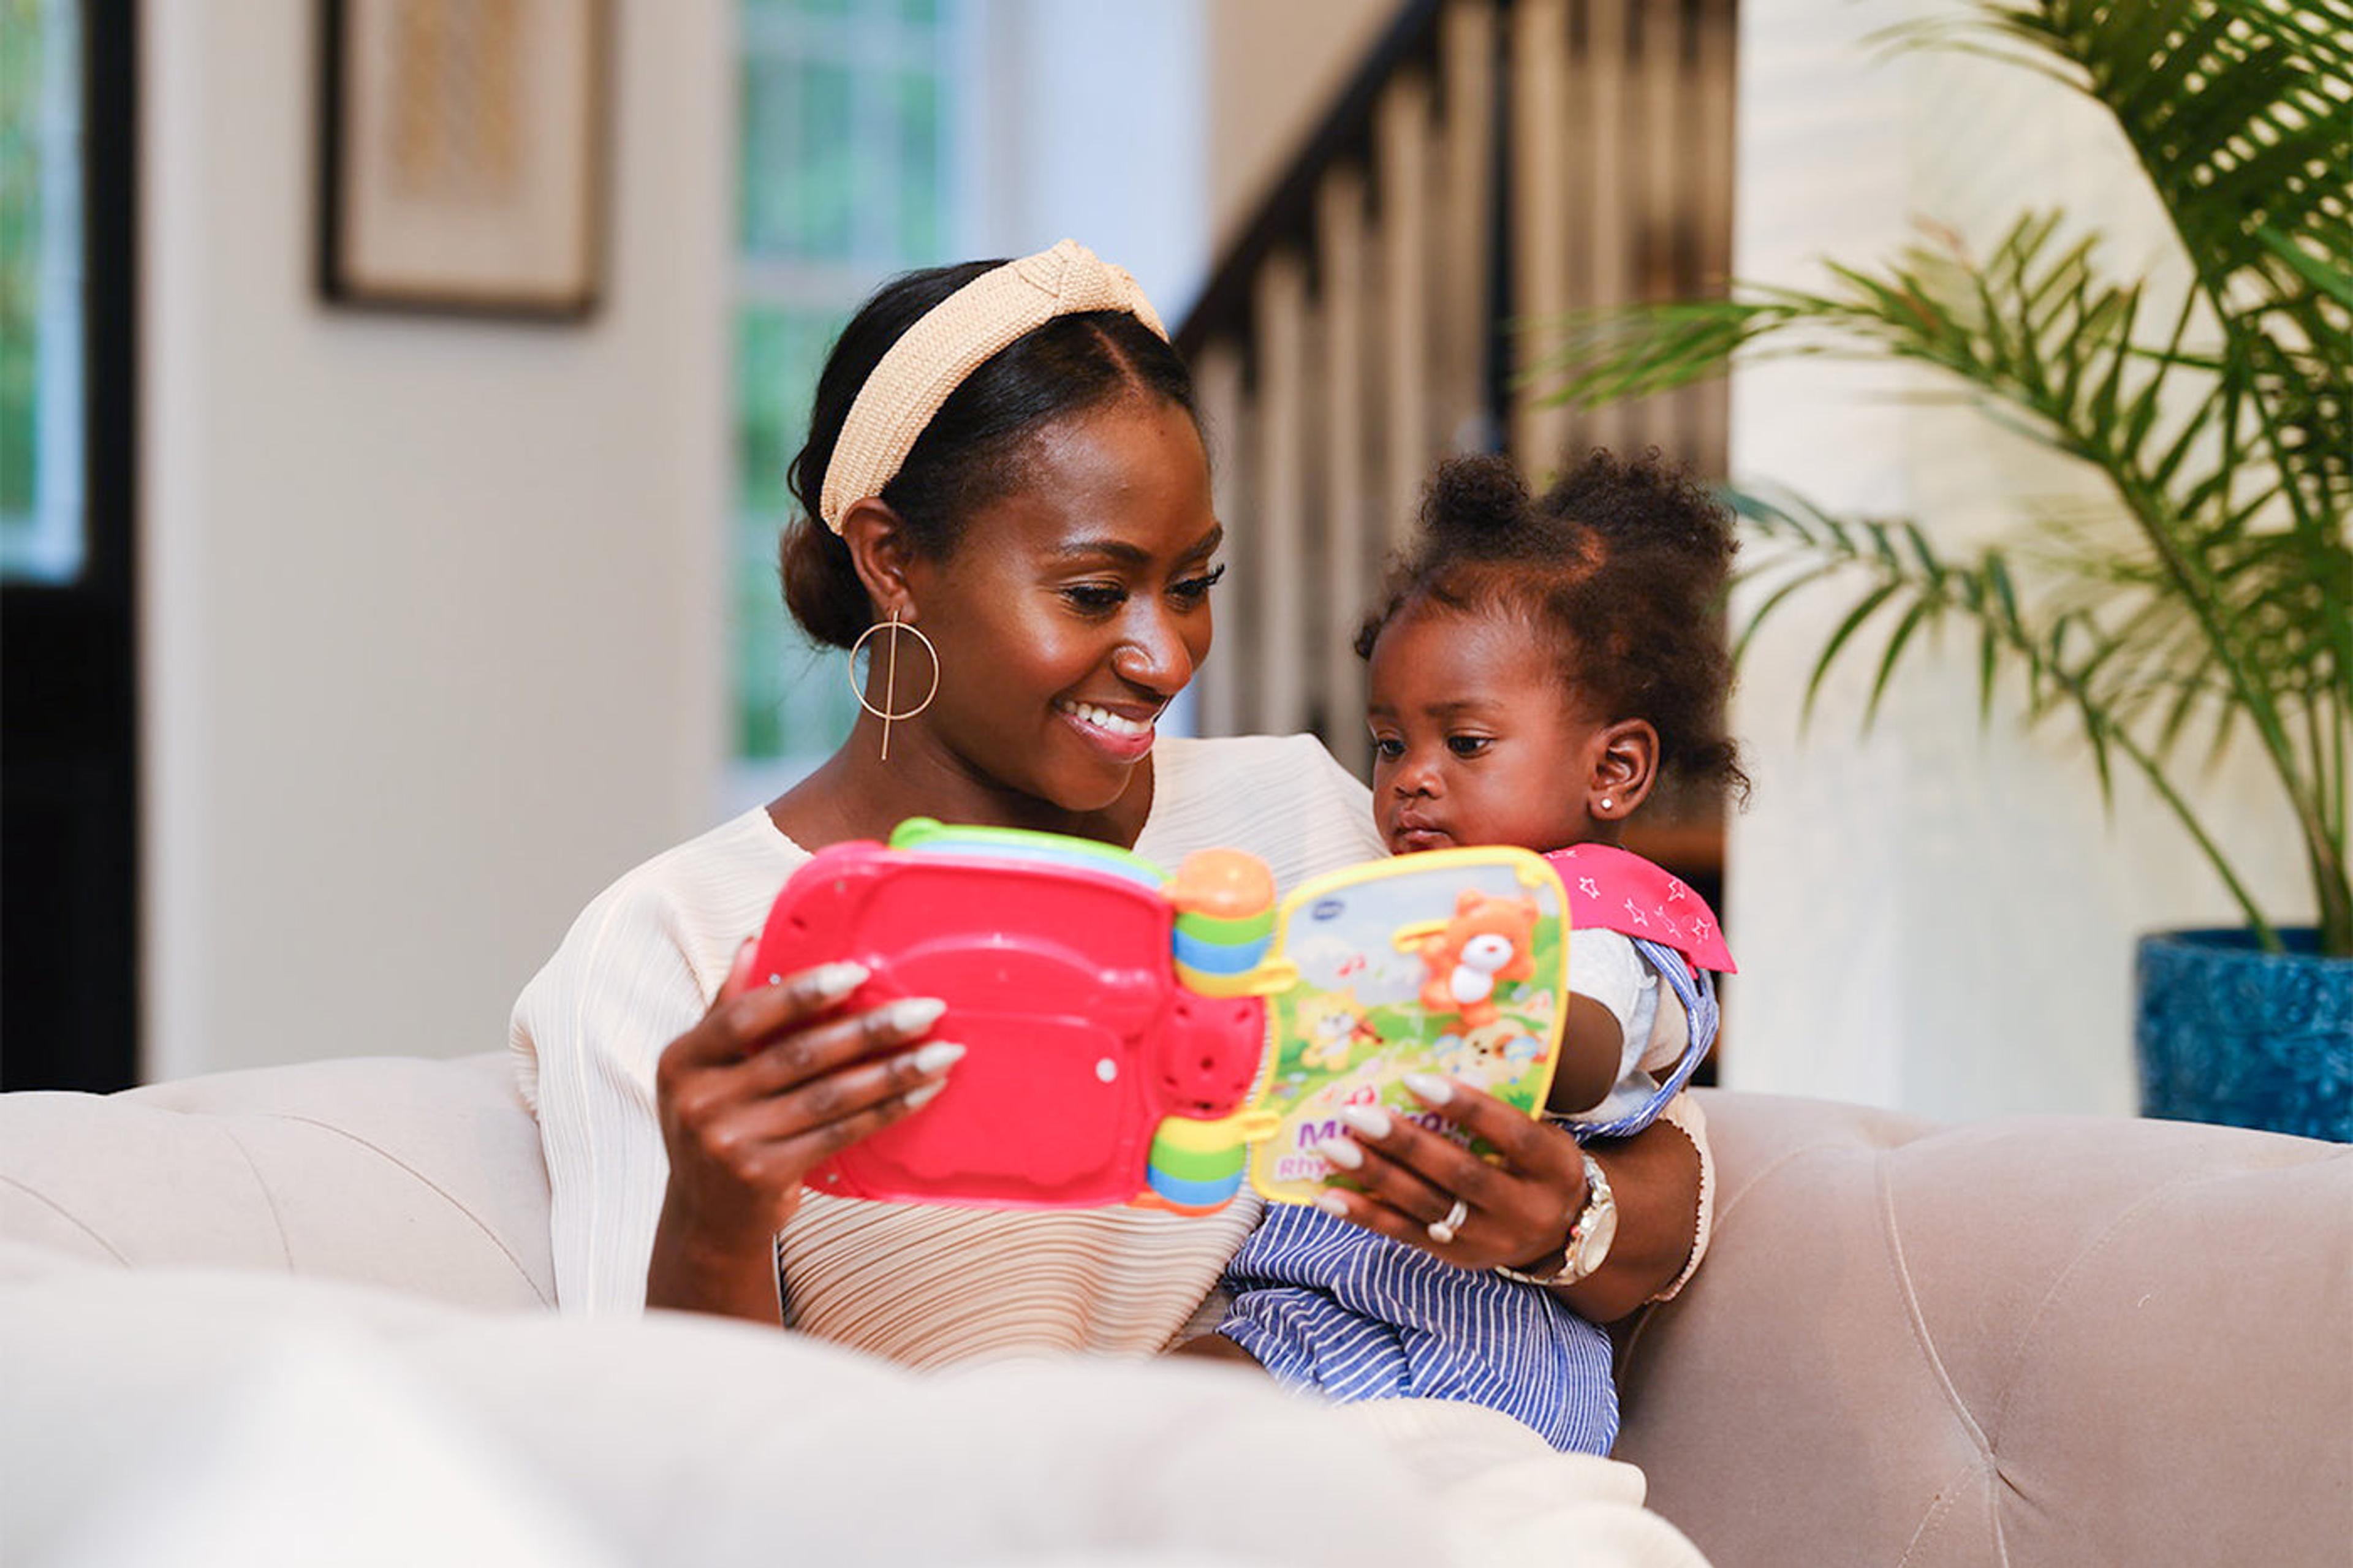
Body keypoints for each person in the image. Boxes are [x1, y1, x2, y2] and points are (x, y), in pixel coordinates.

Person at [510, 243, 1711, 1418]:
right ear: (892, 561)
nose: (1163, 655)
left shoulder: (1305, 814)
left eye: (1193, 584)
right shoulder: (671, 945)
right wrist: (715, 1218)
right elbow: (647, 1461)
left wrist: (1566, 1218)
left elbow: (1667, 1157)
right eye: (1094, 592)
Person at [1215, 449, 1743, 1452]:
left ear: (1615, 769)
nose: (1411, 779)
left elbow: (1590, 1046)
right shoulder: (1397, 897)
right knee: (1140, 1423)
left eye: (1464, 744)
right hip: (1315, 1308)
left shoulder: (1604, 921)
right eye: (1388, 743)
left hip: (1470, 1354)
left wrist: (1446, 1000)